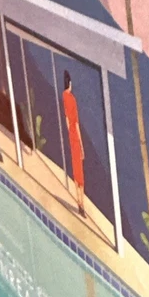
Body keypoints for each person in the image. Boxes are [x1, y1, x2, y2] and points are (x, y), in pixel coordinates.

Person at [62, 70, 86, 216]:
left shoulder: (63, 96)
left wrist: (69, 133)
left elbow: (67, 119)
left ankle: (79, 202)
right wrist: (81, 145)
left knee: (76, 172)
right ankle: (81, 204)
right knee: (80, 175)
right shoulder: (72, 99)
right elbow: (76, 123)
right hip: (75, 138)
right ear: (70, 83)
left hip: (70, 136)